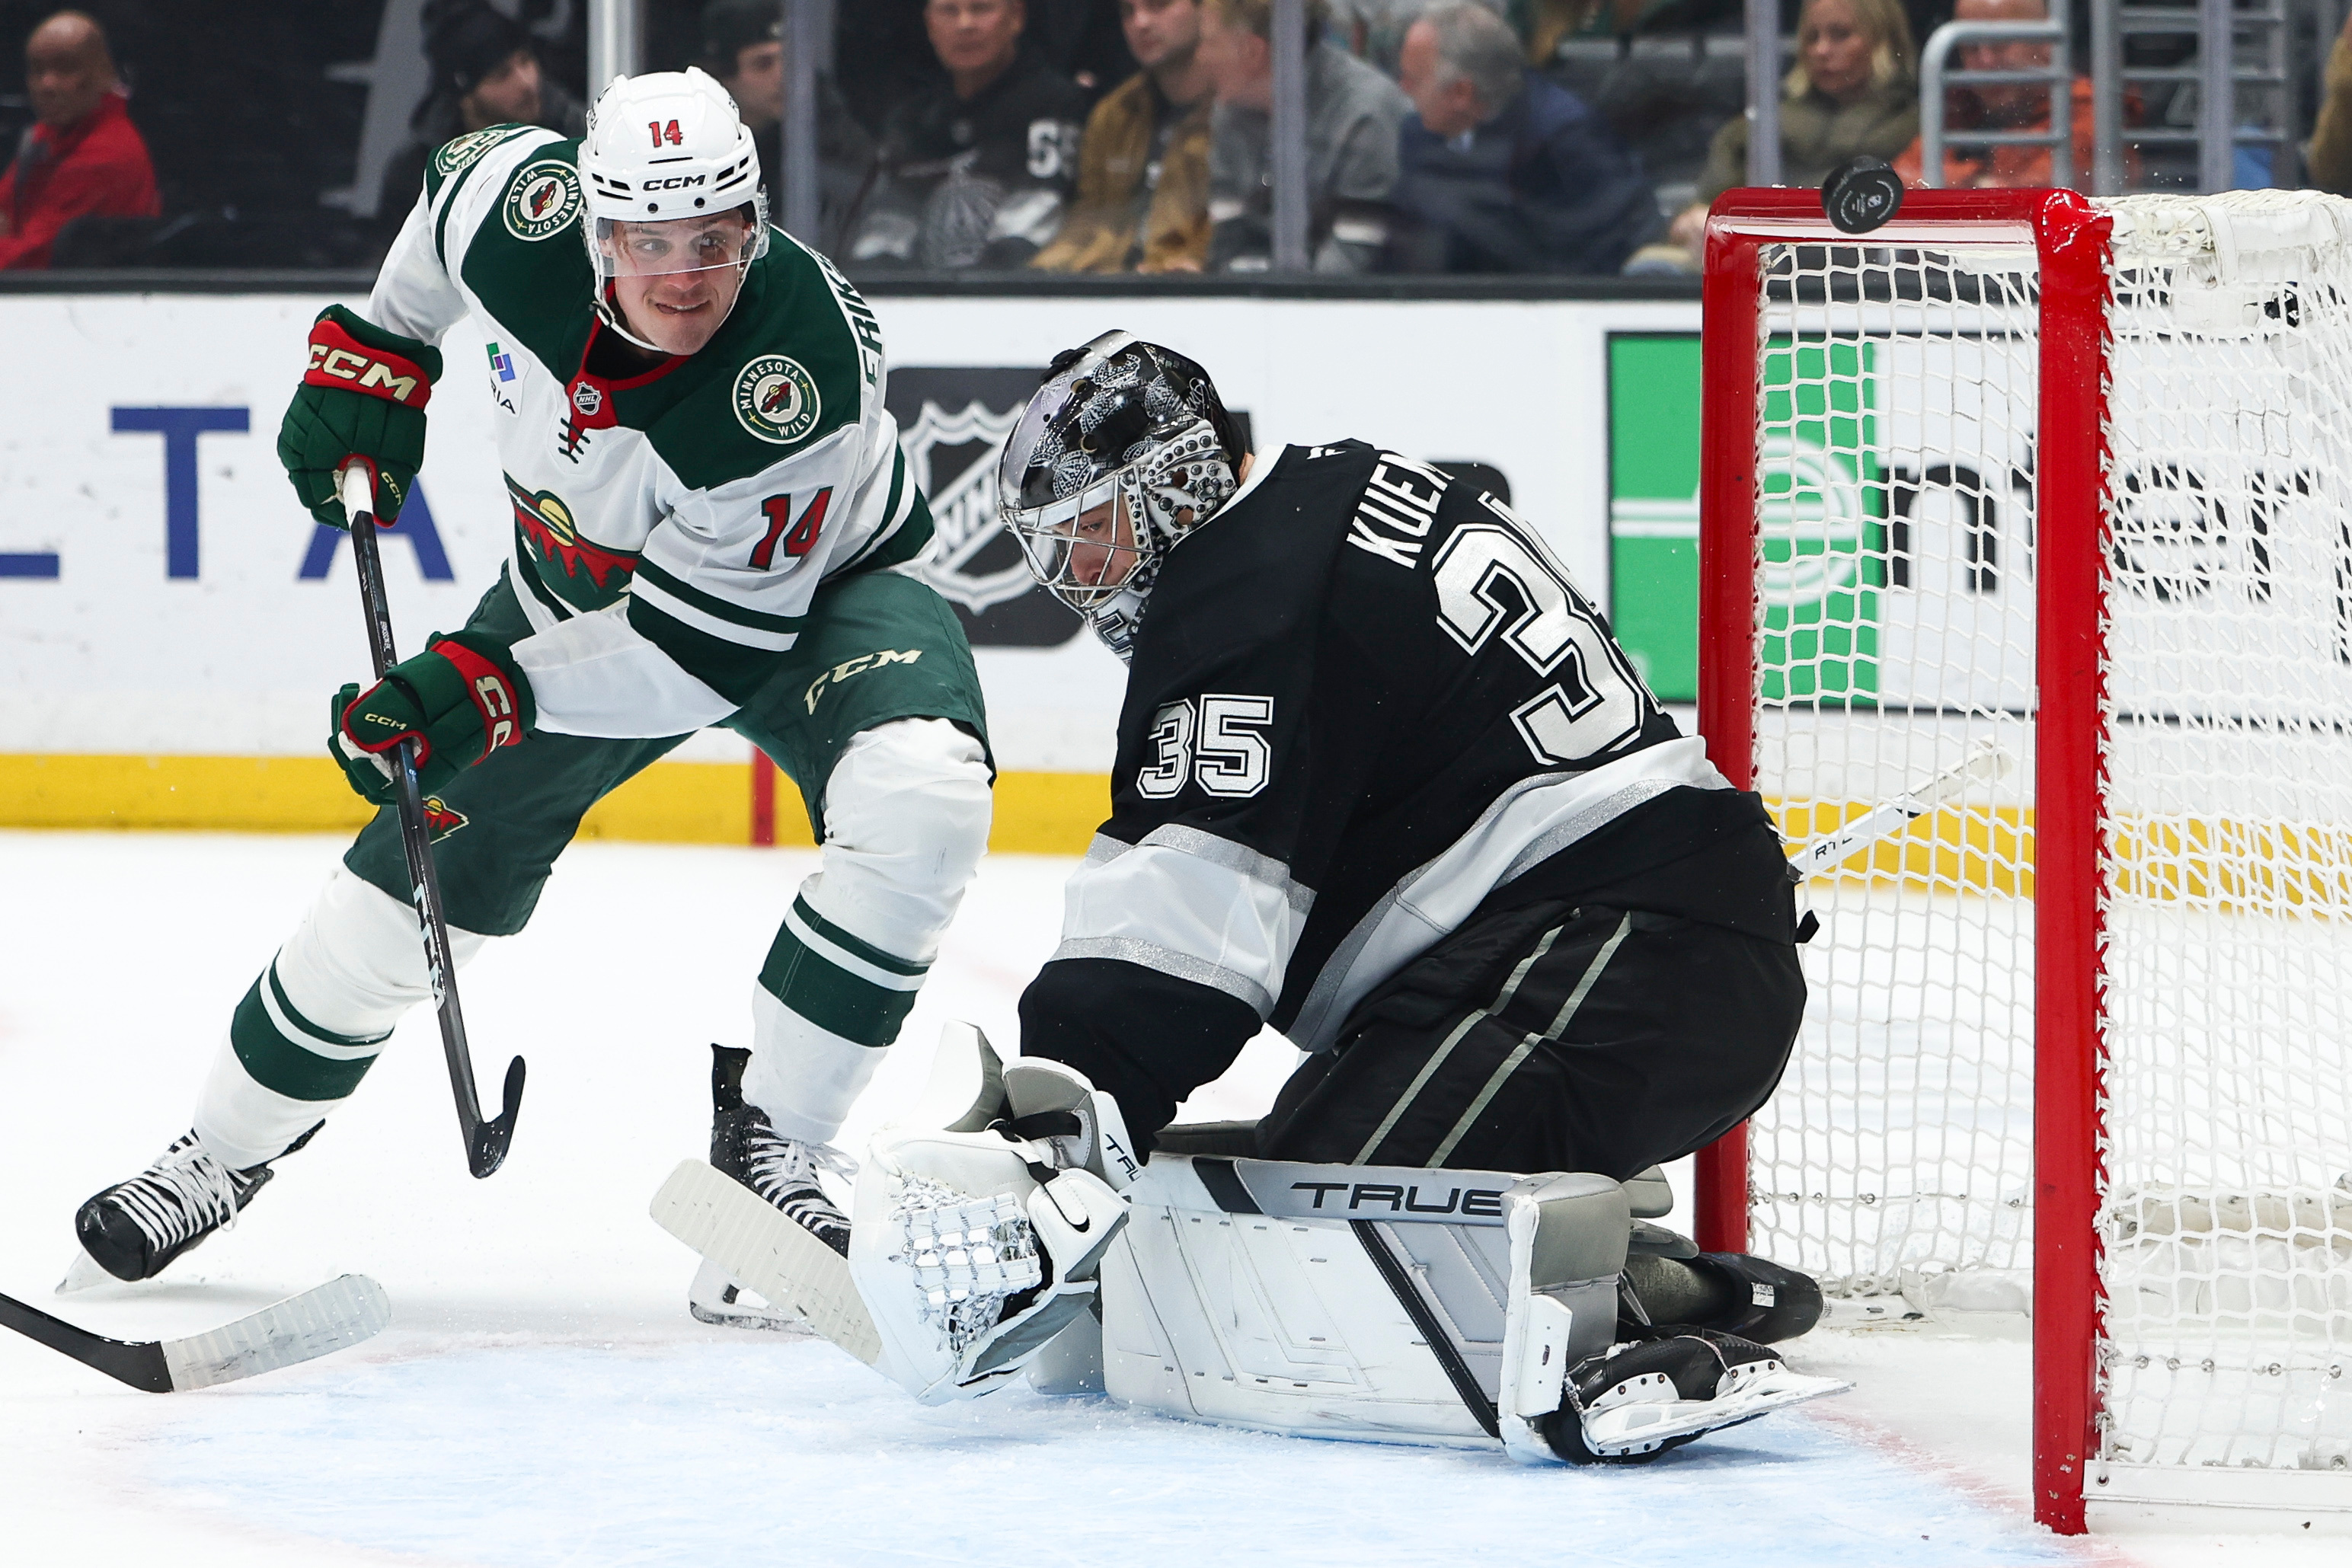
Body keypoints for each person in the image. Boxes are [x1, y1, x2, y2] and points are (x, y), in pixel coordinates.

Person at [654, 332, 1837, 1457]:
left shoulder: (1244, 581)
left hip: (1611, 956)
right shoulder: (1332, 501)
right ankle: (1640, 1260)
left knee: (1304, 1248)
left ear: (1176, 484)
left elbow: (1188, 913)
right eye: (1060, 555)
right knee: (1270, 1180)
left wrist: (1063, 1114)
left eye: (1100, 538)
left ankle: (1621, 1320)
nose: (1087, 582)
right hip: (1628, 952)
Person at [67, 71, 993, 1315]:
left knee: (920, 796)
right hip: (570, 603)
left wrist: (489, 686)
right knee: (398, 897)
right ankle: (220, 1150)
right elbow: (443, 208)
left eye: (713, 239)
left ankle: (768, 1172)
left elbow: (697, 653)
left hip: (814, 599)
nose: (682, 274)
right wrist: (384, 345)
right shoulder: (519, 206)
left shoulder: (796, 369)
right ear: (589, 227)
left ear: (754, 222)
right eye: (648, 241)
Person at [1389, 1, 1659, 274]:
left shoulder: (1565, 140)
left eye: (1414, 79)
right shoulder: (1419, 135)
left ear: (1461, 93)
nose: (1402, 88)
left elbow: (1605, 250)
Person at [1658, 0, 1915, 260]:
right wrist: (1692, 221)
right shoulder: (1755, 129)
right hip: (1759, 267)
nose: (1821, 50)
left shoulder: (1919, 123)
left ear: (1884, 40)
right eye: (1812, 37)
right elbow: (1709, 202)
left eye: (1840, 35)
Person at [850, 0, 1090, 270]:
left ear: (1016, 17)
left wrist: (972, 294)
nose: (965, 25)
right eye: (949, 11)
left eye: (981, 8)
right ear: (930, 25)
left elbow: (1037, 218)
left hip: (1018, 296)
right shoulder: (911, 120)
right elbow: (884, 228)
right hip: (915, 302)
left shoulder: (1055, 104)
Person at [1198, 0, 1410, 272]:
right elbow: (1228, 242)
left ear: (1252, 52)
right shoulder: (1230, 111)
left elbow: (1352, 262)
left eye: (1208, 43)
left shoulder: (1367, 115)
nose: (1199, 57)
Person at [1031, 0, 1216, 273]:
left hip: (1199, 291)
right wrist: (1036, 277)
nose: (1140, 23)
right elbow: (1090, 219)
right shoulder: (1114, 114)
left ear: (1207, 10)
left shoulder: (1234, 113)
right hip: (1116, 288)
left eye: (1158, 5)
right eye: (1128, 12)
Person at [375, 0, 586, 234]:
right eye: (501, 75)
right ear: (466, 97)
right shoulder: (420, 176)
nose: (526, 82)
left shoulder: (581, 139)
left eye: (526, 61)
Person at [699, 0, 877, 254]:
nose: (784, 75)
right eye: (764, 64)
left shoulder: (834, 137)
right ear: (723, 77)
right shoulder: (699, 147)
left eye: (790, 59)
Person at [0, 10, 158, 271]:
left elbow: (31, 261)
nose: (46, 84)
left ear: (103, 73)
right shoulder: (45, 135)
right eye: (37, 70)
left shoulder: (107, 154)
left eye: (66, 68)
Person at [1890, 0, 2092, 190]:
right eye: (1971, 48)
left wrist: (1960, 181)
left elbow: (2040, 192)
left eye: (1999, 45)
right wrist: (1977, 181)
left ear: (2046, 42)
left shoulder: (2088, 113)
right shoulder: (1960, 109)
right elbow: (1898, 180)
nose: (1985, 61)